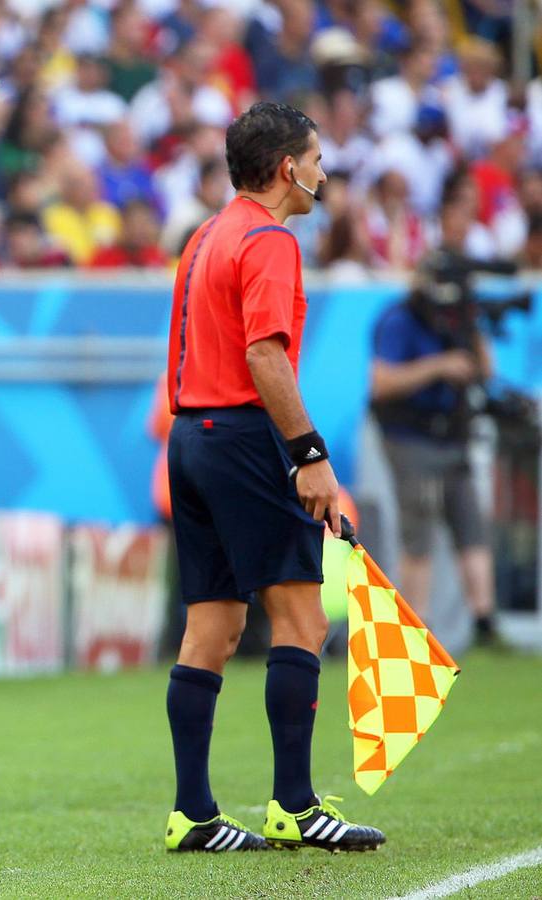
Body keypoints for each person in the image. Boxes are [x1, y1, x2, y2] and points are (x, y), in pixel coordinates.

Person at [162, 102, 385, 853]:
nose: (323, 170)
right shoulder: (267, 239)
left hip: (190, 436)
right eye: (316, 157)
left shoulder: (204, 235)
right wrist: (309, 455)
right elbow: (264, 358)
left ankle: (191, 814)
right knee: (298, 620)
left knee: (212, 626)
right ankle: (293, 804)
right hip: (245, 438)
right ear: (288, 168)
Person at [369, 261, 501, 645]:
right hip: (409, 435)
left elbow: (486, 370)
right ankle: (415, 625)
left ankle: (485, 624)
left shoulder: (461, 320)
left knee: (471, 524)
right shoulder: (400, 319)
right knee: (419, 528)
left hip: (452, 435)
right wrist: (439, 367)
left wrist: (473, 333)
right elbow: (381, 382)